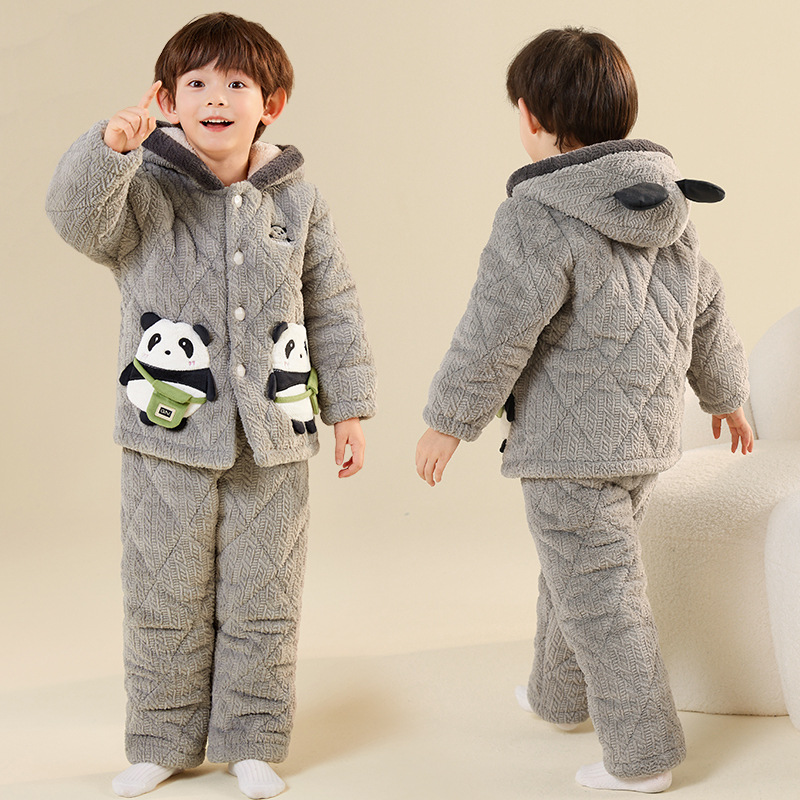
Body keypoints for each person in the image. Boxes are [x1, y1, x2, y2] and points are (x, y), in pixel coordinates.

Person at [46, 12, 376, 799]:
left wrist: (349, 410)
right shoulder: (140, 190)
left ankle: (251, 740)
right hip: (164, 439)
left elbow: (332, 305)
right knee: (163, 597)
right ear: (167, 100)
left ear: (272, 104)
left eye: (236, 83)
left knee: (265, 596)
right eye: (195, 83)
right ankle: (162, 740)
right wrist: (108, 150)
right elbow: (74, 220)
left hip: (275, 438)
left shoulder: (298, 202)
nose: (216, 97)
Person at [415, 27, 752, 794]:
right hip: (644, 443)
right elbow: (706, 305)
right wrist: (726, 397)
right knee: (577, 573)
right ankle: (558, 697)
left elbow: (495, 328)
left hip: (570, 448)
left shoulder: (537, 214)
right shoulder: (669, 206)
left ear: (532, 118)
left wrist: (448, 421)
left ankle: (642, 757)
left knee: (603, 600)